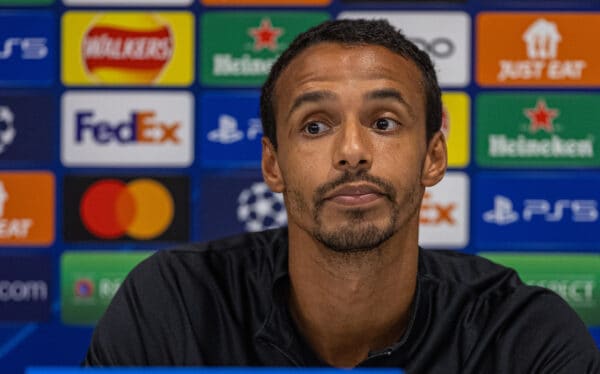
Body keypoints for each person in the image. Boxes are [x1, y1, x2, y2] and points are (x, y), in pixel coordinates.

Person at [83, 19, 600, 372]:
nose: (352, 151)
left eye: (383, 121)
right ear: (273, 164)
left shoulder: (521, 337)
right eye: (314, 126)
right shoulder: (175, 305)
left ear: (433, 157)